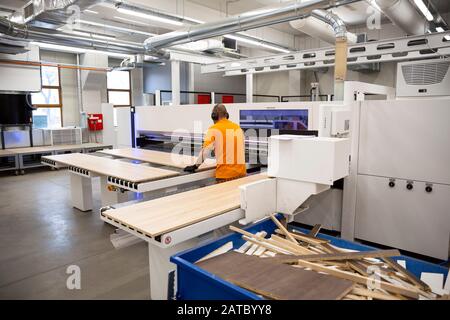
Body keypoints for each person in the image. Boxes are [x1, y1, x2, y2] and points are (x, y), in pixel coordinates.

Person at [184, 104, 246, 182]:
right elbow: (242, 148)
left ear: (214, 116)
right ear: (227, 115)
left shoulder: (213, 129)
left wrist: (195, 166)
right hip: (242, 173)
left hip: (225, 175)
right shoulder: (237, 127)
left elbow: (205, 151)